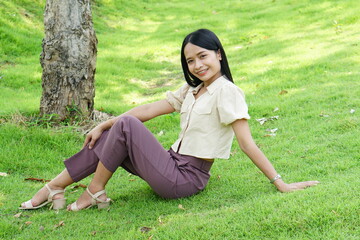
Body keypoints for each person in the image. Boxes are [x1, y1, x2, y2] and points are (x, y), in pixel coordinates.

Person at [19, 29, 319, 211]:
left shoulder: (228, 92)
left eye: (203, 56)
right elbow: (149, 109)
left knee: (123, 125)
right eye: (190, 61)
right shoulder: (193, 89)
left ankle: (94, 191)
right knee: (114, 130)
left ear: (218, 54)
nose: (198, 65)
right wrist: (101, 124)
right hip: (170, 163)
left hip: (185, 179)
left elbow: (247, 144)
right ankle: (53, 188)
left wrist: (281, 183)